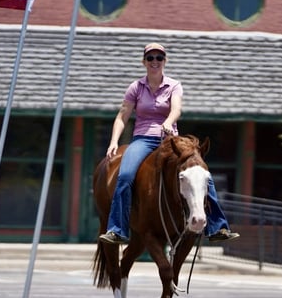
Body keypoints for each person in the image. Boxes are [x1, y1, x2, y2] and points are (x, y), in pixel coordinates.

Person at [99, 42, 240, 245]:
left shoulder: (174, 85)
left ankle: (217, 227)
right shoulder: (135, 87)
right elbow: (122, 116)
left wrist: (167, 122)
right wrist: (114, 141)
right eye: (150, 58)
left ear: (165, 61)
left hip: (170, 139)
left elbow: (176, 110)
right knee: (125, 175)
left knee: (201, 173)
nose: (154, 61)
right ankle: (118, 230)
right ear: (144, 62)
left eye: (159, 58)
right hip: (143, 139)